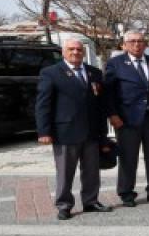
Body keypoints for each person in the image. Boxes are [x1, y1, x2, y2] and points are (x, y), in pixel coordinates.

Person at [35, 38, 113, 220]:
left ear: (83, 52)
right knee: (65, 172)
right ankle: (64, 205)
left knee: (92, 171)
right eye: (71, 49)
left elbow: (99, 105)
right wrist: (44, 131)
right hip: (65, 132)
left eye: (79, 49)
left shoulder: (94, 73)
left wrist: (103, 133)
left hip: (91, 131)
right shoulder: (51, 73)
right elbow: (43, 104)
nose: (76, 52)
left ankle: (91, 201)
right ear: (63, 52)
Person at [103, 30, 149, 206]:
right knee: (128, 157)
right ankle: (126, 192)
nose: (137, 44)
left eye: (140, 41)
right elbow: (108, 93)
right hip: (127, 119)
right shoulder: (115, 64)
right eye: (132, 41)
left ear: (145, 44)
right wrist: (112, 114)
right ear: (124, 45)